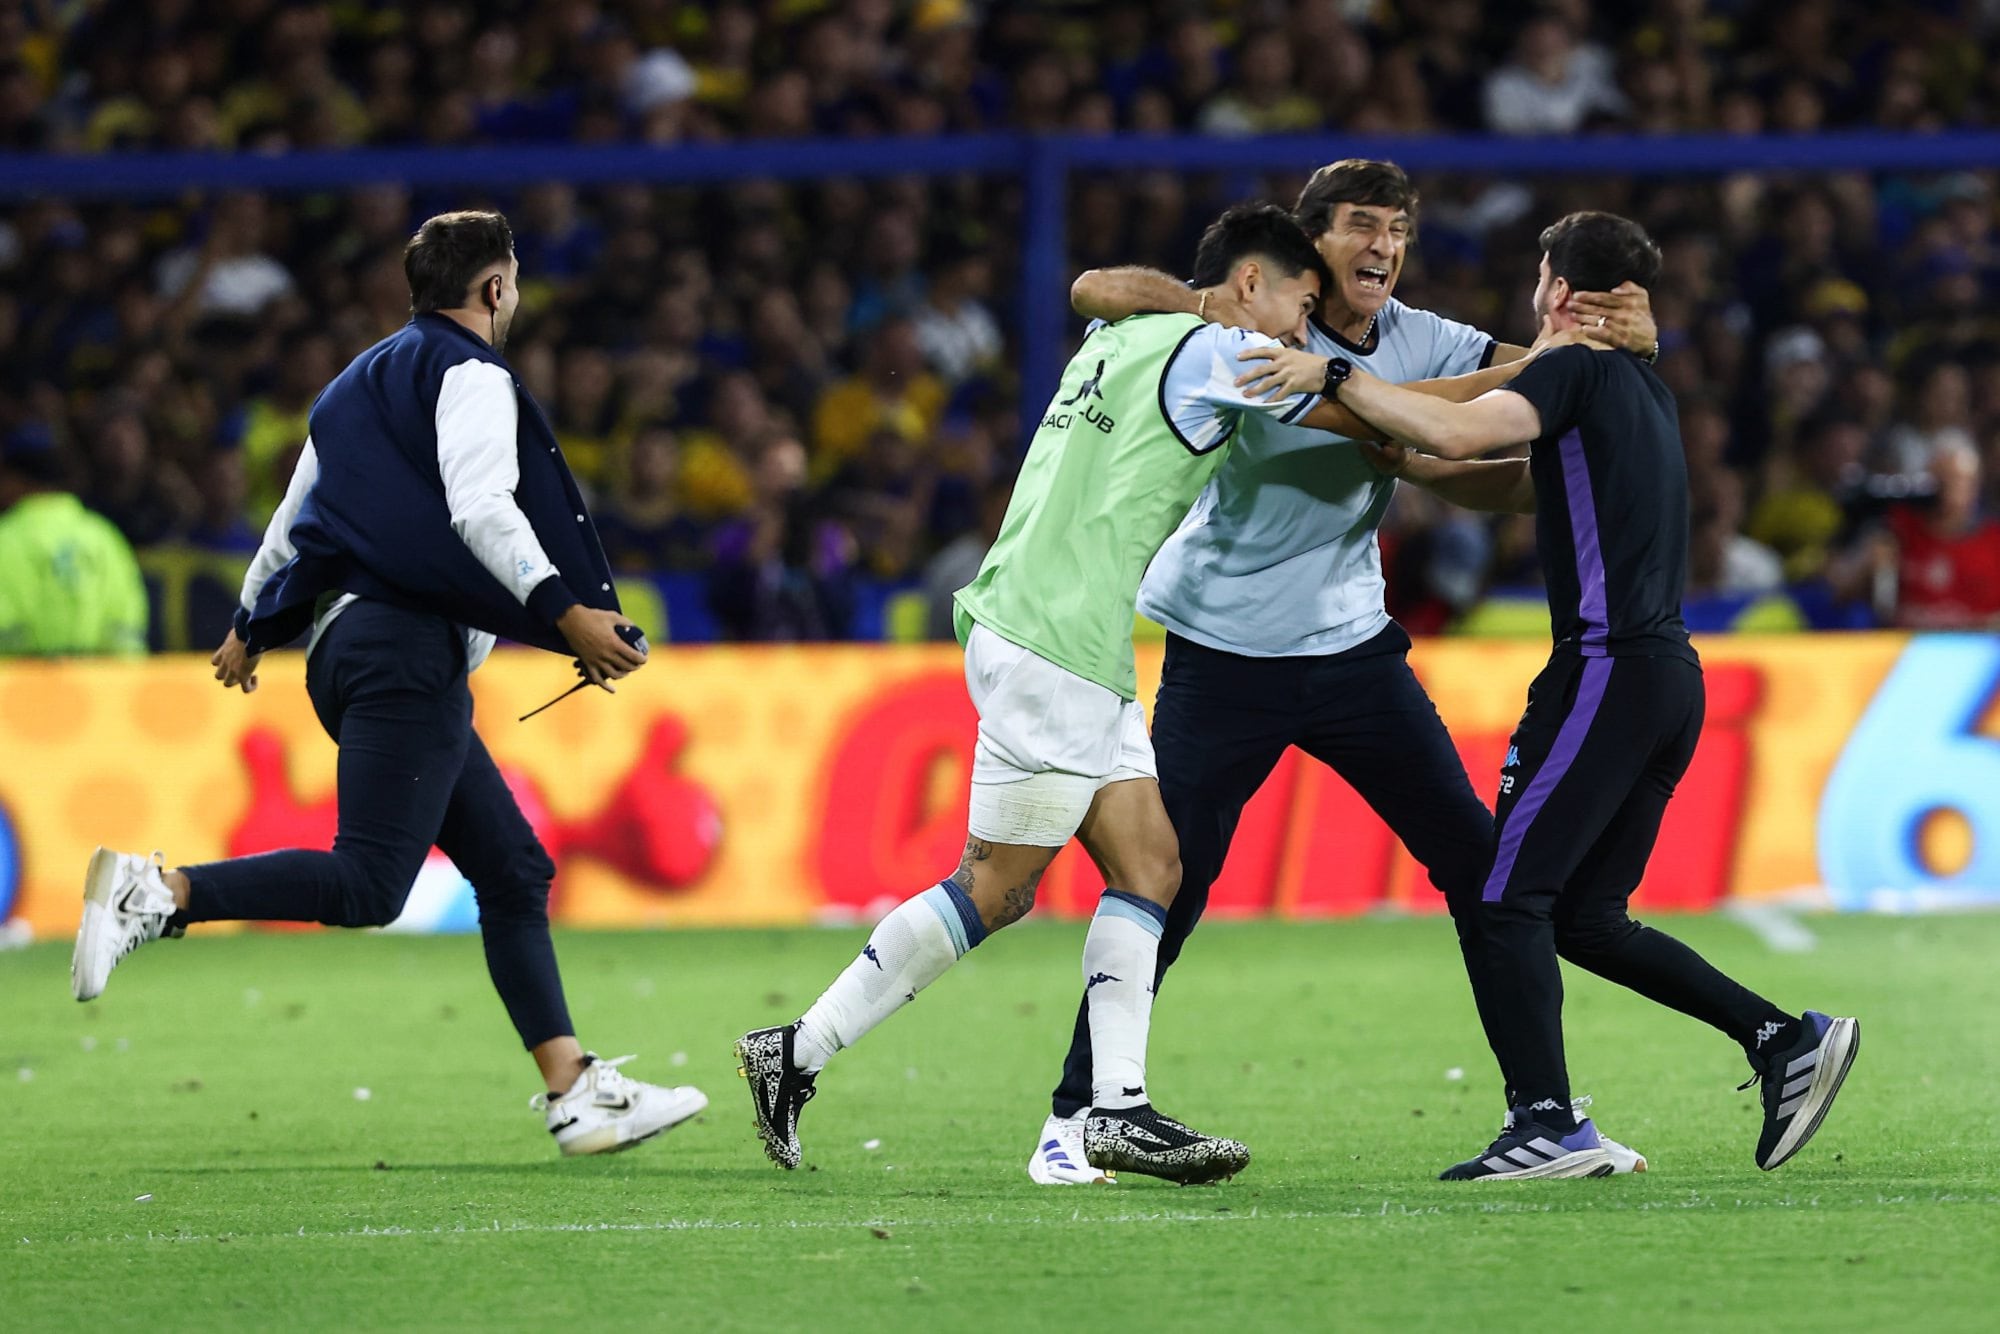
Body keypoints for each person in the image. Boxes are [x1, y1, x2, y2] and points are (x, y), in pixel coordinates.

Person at [1030, 160, 1657, 1186]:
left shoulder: (1419, 336)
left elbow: (1531, 380)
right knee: (1164, 886)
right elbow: (1095, 289)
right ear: (1306, 243)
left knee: (1481, 871)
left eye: (1399, 229)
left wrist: (1608, 343)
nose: (1383, 246)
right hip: (1221, 655)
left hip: (1353, 654)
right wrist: (1540, 361)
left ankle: (1546, 1119)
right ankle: (1074, 1115)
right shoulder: (1254, 339)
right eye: (1361, 225)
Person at [68, 210, 707, 1158]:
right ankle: (157, 894)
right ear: (494, 289)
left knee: (514, 869)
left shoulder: (352, 385)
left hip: (350, 650)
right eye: (514, 280)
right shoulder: (474, 376)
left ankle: (577, 1092)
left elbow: (294, 520)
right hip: (406, 649)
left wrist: (251, 624)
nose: (517, 295)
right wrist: (566, 612)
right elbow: (482, 507)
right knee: (370, 882)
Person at [1250, 211, 1859, 1179]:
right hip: (1666, 676)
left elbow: (1455, 422)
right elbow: (1502, 479)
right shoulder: (1642, 389)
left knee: (1500, 890)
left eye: (1540, 276)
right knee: (1581, 916)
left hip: (1606, 668)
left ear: (1560, 292)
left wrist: (1336, 378)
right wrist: (1408, 460)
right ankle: (1781, 1037)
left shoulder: (1568, 367)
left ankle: (1543, 1120)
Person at [0, 422, 149, 657]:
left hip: (18, 689)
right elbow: (127, 632)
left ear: (12, 478)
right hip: (99, 689)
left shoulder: (6, 540)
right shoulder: (104, 537)